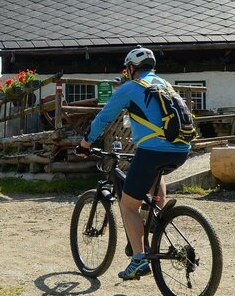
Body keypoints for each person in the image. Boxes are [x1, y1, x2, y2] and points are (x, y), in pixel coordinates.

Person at [80, 46, 191, 280]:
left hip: (152, 150)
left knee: (128, 204)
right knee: (157, 175)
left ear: (131, 68)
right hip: (181, 149)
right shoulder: (164, 84)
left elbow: (104, 118)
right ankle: (156, 220)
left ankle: (139, 259)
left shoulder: (130, 87)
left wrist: (85, 143)